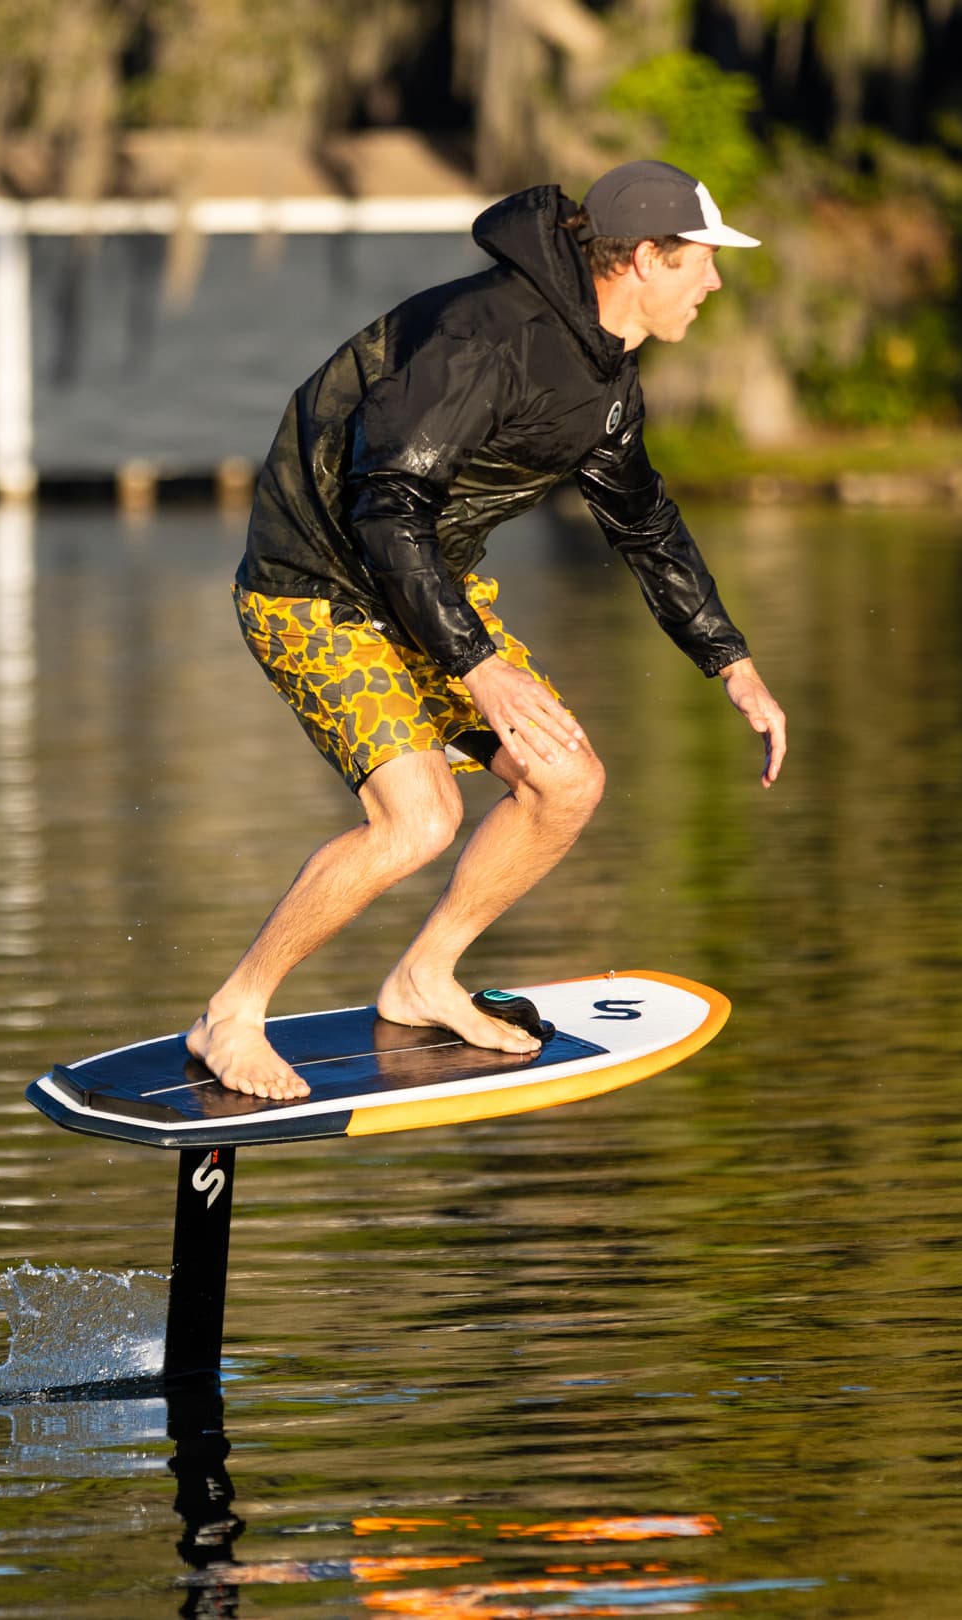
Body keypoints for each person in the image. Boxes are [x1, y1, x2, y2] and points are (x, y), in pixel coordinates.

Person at [186, 159, 789, 1100]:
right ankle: (232, 1013)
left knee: (566, 782)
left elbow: (643, 521)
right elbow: (387, 510)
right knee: (419, 819)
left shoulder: (607, 374)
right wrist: (477, 666)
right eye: (700, 262)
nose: (714, 282)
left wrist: (731, 662)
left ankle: (424, 976)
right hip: (317, 584)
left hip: (422, 587)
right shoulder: (483, 339)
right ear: (640, 259)